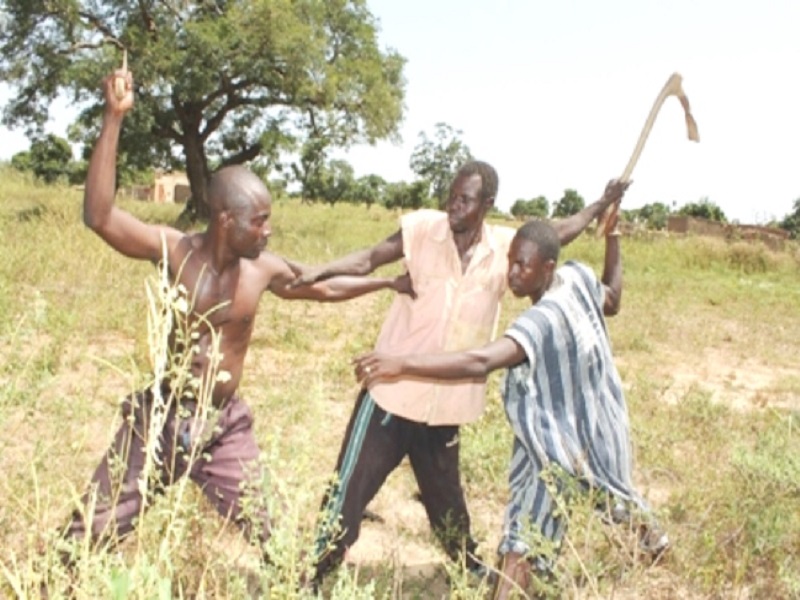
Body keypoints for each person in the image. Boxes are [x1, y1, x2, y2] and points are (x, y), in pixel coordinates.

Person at [61, 68, 412, 564]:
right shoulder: (174, 250)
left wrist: (388, 282)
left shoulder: (262, 269)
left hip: (223, 428)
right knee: (86, 535)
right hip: (160, 418)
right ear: (226, 219)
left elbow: (324, 286)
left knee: (277, 541)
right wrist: (113, 118)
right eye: (260, 220)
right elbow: (99, 217)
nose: (269, 231)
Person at [291, 160, 629, 582]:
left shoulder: (505, 252)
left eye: (465, 200)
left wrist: (602, 203)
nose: (453, 206)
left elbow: (558, 232)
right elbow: (368, 259)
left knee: (448, 504)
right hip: (391, 397)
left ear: (487, 204)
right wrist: (317, 270)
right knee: (347, 495)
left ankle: (467, 570)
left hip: (445, 407)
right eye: (451, 196)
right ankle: (311, 576)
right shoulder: (421, 229)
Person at [353, 207, 669, 598]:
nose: (513, 273)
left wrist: (400, 362)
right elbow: (614, 297)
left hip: (565, 442)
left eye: (524, 265)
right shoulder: (577, 277)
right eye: (511, 261)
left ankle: (649, 548)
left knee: (602, 503)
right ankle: (652, 546)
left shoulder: (540, 320)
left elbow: (480, 360)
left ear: (547, 267)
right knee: (541, 527)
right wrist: (613, 237)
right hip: (600, 429)